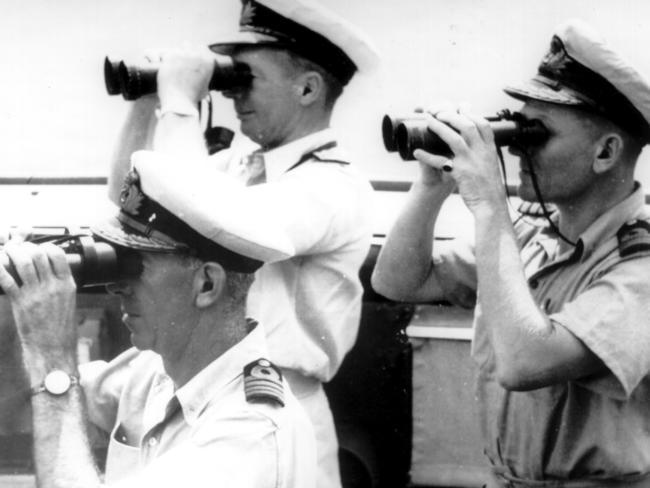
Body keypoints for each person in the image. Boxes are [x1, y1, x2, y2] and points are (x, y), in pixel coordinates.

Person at [107, 1, 379, 486]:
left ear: (309, 88)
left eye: (247, 79)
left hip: (273, 412)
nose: (234, 95)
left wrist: (182, 104)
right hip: (201, 393)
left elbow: (198, 220)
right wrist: (148, 102)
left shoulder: (334, 188)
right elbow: (137, 204)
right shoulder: (236, 168)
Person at [372, 19, 650, 488]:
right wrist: (431, 186)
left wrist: (487, 202)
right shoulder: (529, 232)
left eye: (535, 135)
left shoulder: (638, 265)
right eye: (515, 130)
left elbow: (526, 363)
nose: (519, 149)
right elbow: (398, 281)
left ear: (605, 152)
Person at [0, 161, 315, 488]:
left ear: (206, 284)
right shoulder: (157, 371)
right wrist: (10, 303)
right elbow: (17, 410)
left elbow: (53, 397)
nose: (116, 286)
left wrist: (51, 354)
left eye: (134, 264)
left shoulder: (249, 433)